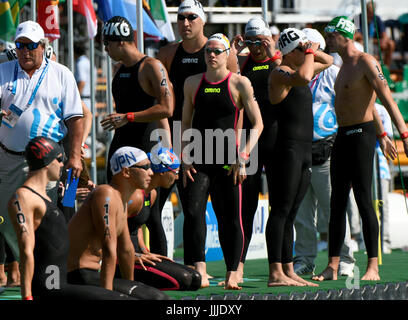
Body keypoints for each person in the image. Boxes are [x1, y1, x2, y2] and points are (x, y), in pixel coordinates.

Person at [313, 16, 408, 282]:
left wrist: (403, 134)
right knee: (337, 203)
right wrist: (383, 133)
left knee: (365, 201)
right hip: (342, 136)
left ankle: (373, 267)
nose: (328, 40)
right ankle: (332, 265)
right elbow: (367, 99)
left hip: (360, 136)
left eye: (331, 35)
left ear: (345, 35)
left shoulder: (366, 61)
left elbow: (385, 97)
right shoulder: (342, 66)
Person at [155, 0, 239, 258]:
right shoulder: (168, 54)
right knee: (153, 208)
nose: (185, 23)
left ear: (202, 20)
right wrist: (169, 144)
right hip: (174, 139)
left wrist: (240, 149)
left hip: (214, 141)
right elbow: (159, 101)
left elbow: (238, 103)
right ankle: (162, 264)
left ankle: (229, 269)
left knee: (217, 210)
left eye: (192, 17)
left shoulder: (222, 53)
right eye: (181, 18)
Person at [181, 33, 263, 289]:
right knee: (193, 212)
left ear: (228, 53)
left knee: (229, 217)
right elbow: (184, 124)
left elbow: (258, 124)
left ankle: (232, 272)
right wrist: (184, 157)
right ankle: (200, 271)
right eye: (208, 51)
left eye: (217, 51)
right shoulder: (193, 83)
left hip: (229, 161)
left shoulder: (240, 84)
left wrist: (244, 155)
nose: (212, 55)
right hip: (199, 158)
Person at [0, 20, 83, 272]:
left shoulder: (61, 73)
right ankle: (27, 262)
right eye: (20, 45)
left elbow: (76, 119)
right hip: (8, 157)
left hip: (47, 162)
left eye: (31, 46)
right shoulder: (3, 71)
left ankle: (49, 269)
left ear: (43, 46)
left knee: (48, 217)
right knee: (5, 218)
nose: (25, 51)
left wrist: (76, 157)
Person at [8, 136, 135, 300]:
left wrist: (71, 195)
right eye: (60, 159)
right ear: (47, 161)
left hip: (62, 284)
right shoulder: (23, 197)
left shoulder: (45, 196)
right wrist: (27, 296)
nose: (62, 164)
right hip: (49, 288)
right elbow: (26, 251)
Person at [266, 27, 333, 287]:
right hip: (288, 150)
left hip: (305, 150)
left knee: (291, 213)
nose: (306, 51)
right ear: (287, 52)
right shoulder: (280, 72)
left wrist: (309, 48)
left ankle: (287, 270)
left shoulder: (299, 69)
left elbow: (328, 61)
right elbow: (305, 76)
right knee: (281, 211)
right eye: (299, 48)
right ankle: (275, 273)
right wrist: (309, 51)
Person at [292, 28, 355, 277]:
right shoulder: (297, 73)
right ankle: (305, 259)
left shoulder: (333, 73)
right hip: (299, 150)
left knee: (334, 210)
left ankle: (346, 259)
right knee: (303, 214)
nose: (304, 52)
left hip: (327, 149)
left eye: (308, 47)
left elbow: (347, 108)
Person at [67, 146, 169, 299]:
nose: (151, 172)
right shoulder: (105, 194)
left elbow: (126, 250)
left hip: (90, 273)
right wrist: (107, 295)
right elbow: (109, 249)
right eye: (145, 167)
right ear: (126, 172)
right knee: (157, 298)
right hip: (75, 275)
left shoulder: (121, 201)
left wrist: (131, 286)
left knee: (157, 295)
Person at [228, 16, 281, 283]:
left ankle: (280, 268)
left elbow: (293, 80)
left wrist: (273, 52)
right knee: (245, 208)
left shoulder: (277, 61)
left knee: (280, 207)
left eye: (259, 42)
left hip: (276, 139)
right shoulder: (244, 64)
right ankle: (238, 266)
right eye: (251, 42)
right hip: (250, 142)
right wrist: (235, 52)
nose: (256, 48)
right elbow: (227, 83)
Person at [100, 16, 174, 184]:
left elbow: (166, 109)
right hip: (121, 145)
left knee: (147, 207)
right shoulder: (119, 69)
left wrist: (128, 117)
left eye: (107, 44)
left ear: (121, 42)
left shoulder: (151, 67)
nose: (105, 49)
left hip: (146, 145)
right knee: (117, 204)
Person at [125, 145, 201, 291]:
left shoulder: (151, 194)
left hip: (139, 255)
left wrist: (144, 250)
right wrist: (133, 254)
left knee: (195, 277)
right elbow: (114, 230)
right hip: (124, 257)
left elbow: (136, 226)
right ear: (162, 172)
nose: (177, 177)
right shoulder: (134, 196)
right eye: (175, 172)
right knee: (184, 280)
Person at [354, 1, 395, 67]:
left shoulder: (377, 18)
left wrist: (384, 41)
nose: (370, 15)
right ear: (364, 10)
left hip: (374, 41)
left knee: (391, 44)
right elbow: (356, 35)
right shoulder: (356, 18)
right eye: (368, 12)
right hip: (362, 41)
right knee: (360, 42)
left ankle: (386, 68)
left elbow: (384, 34)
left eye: (371, 13)